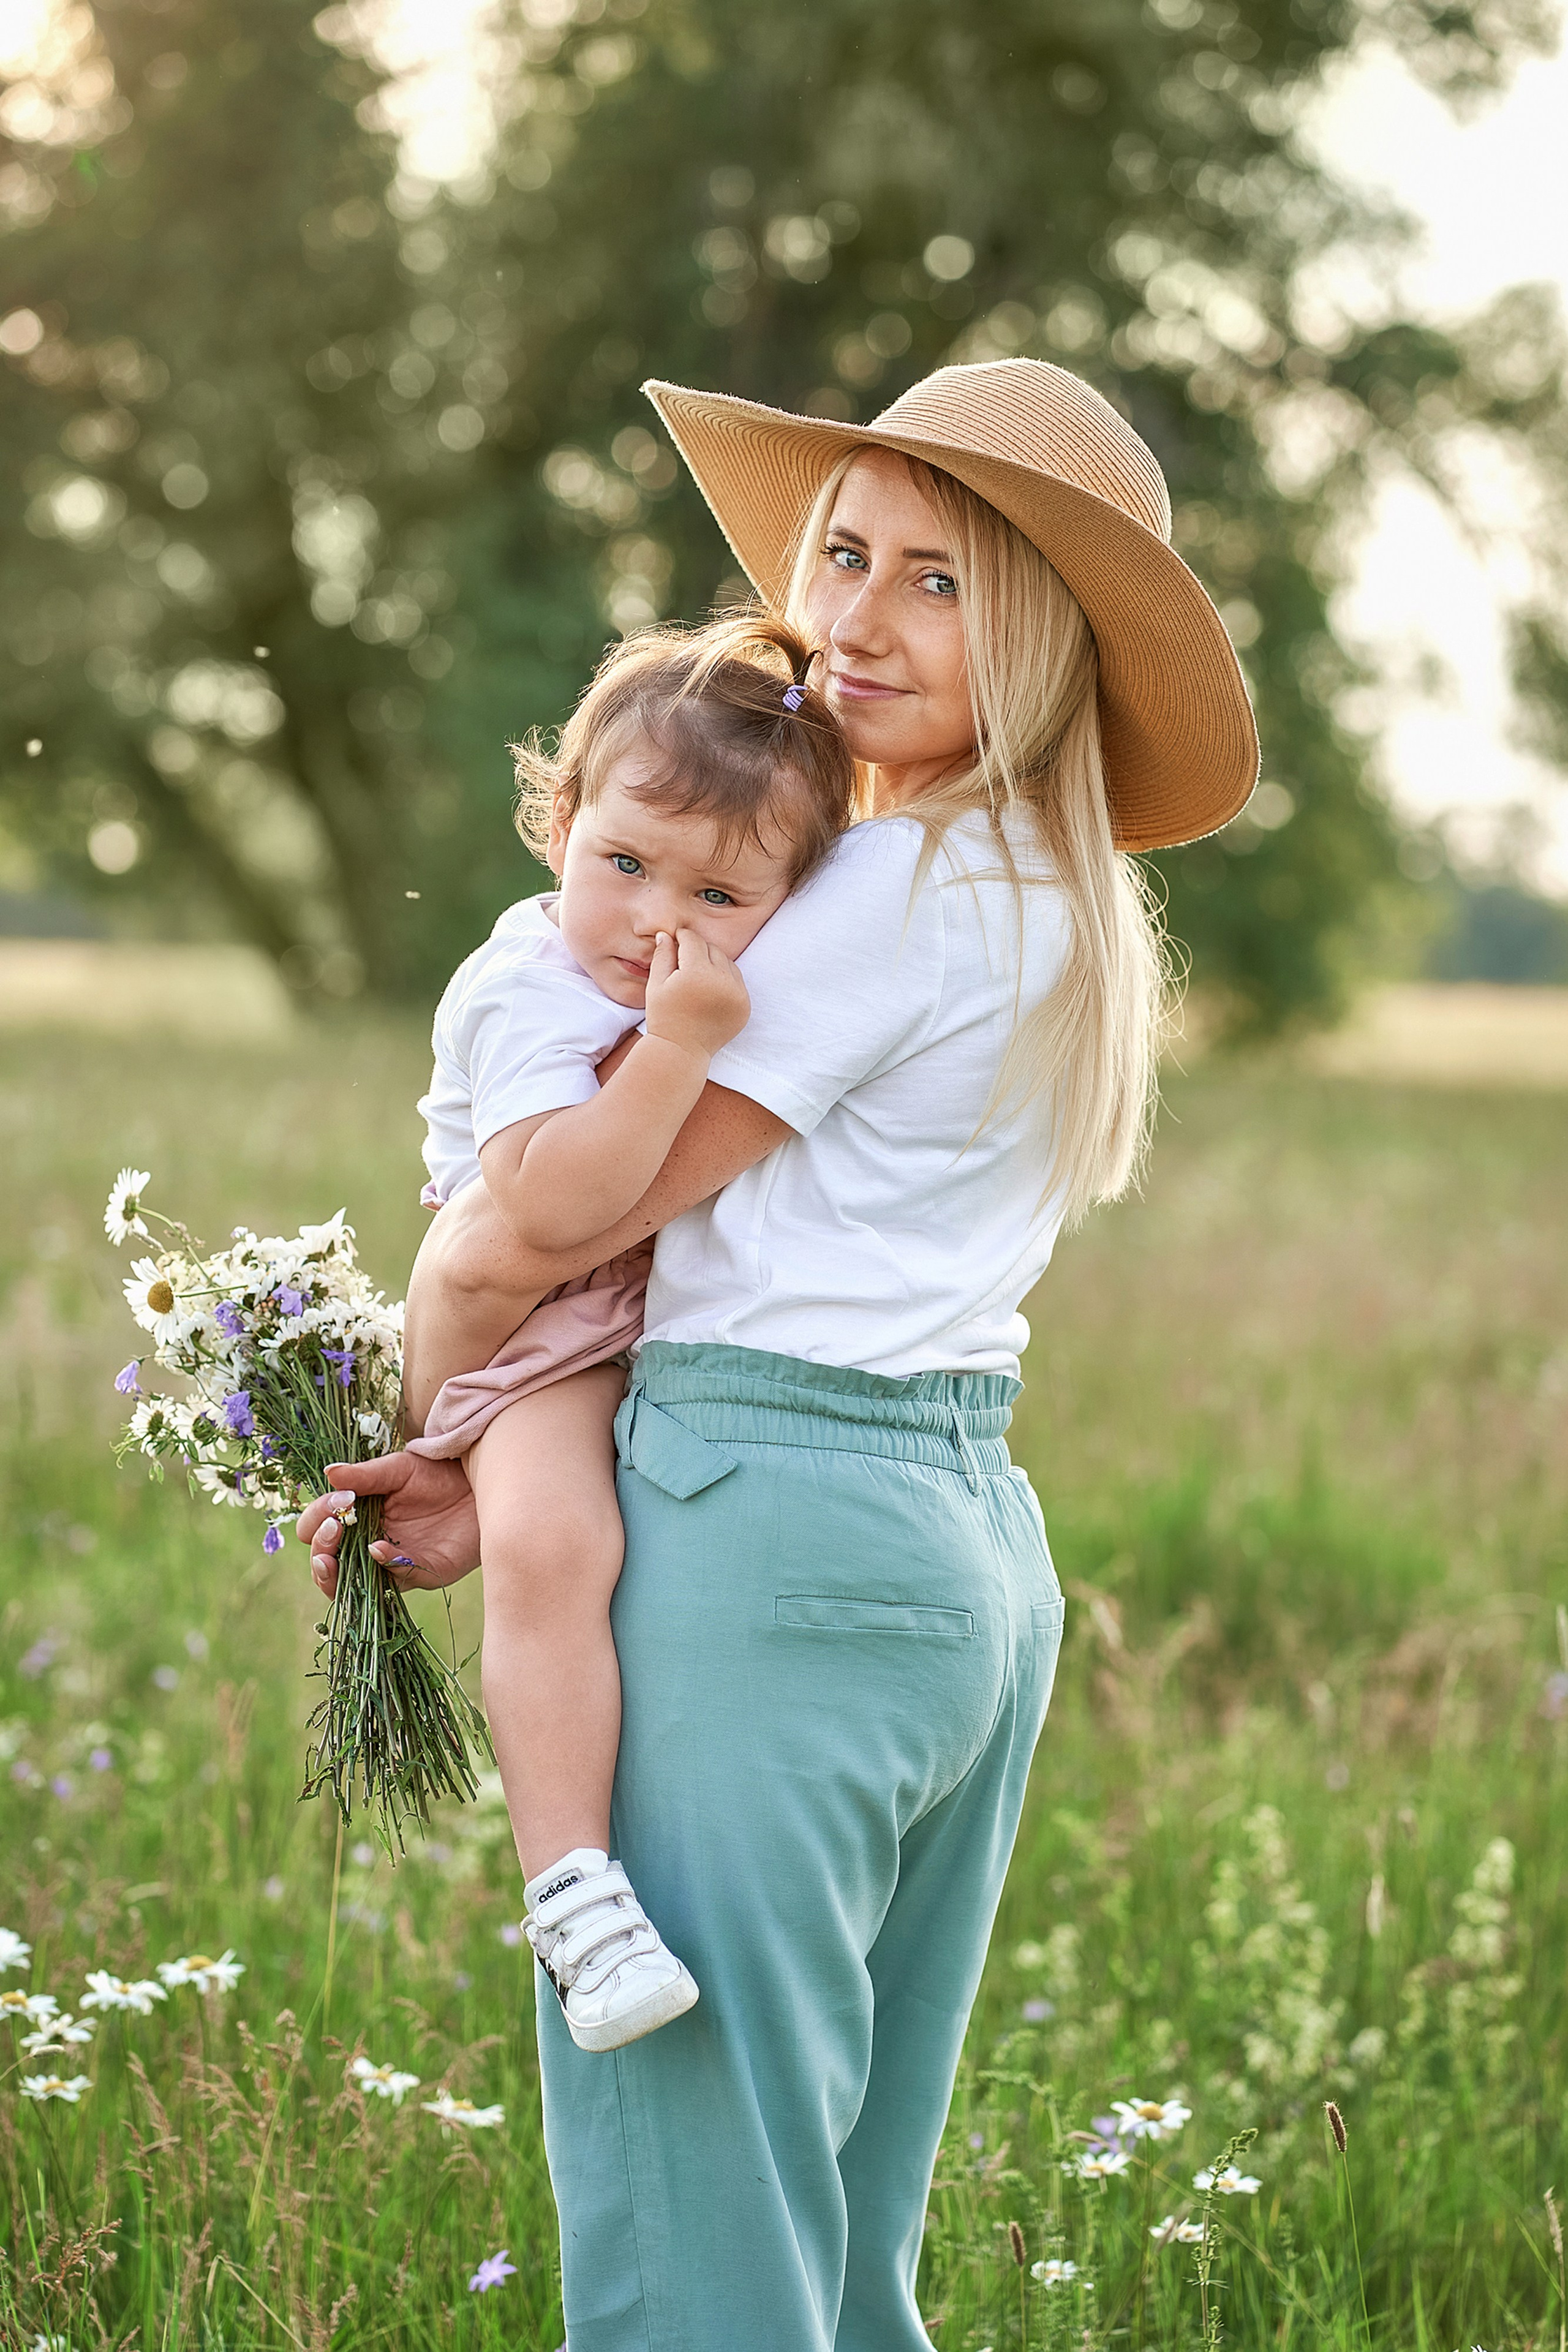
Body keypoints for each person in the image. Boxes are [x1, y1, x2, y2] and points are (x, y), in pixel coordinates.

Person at [300, 356, 1257, 2351]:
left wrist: (449, 1407)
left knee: (697, 2255)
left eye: (940, 583)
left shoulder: (895, 883)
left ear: (1050, 648)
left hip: (765, 1529)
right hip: (958, 1542)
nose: (857, 620)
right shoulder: (1050, 895)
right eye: (846, 556)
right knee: (823, 2251)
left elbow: (558, 1218)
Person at [404, 614, 854, 2052]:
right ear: (559, 827)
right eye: (623, 864)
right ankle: (573, 1902)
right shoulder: (527, 986)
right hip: (537, 1335)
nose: (657, 920)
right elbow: (548, 1205)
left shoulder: (694, 970)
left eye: (719, 892)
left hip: (643, 1330)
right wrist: (677, 1047)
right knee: (555, 1550)